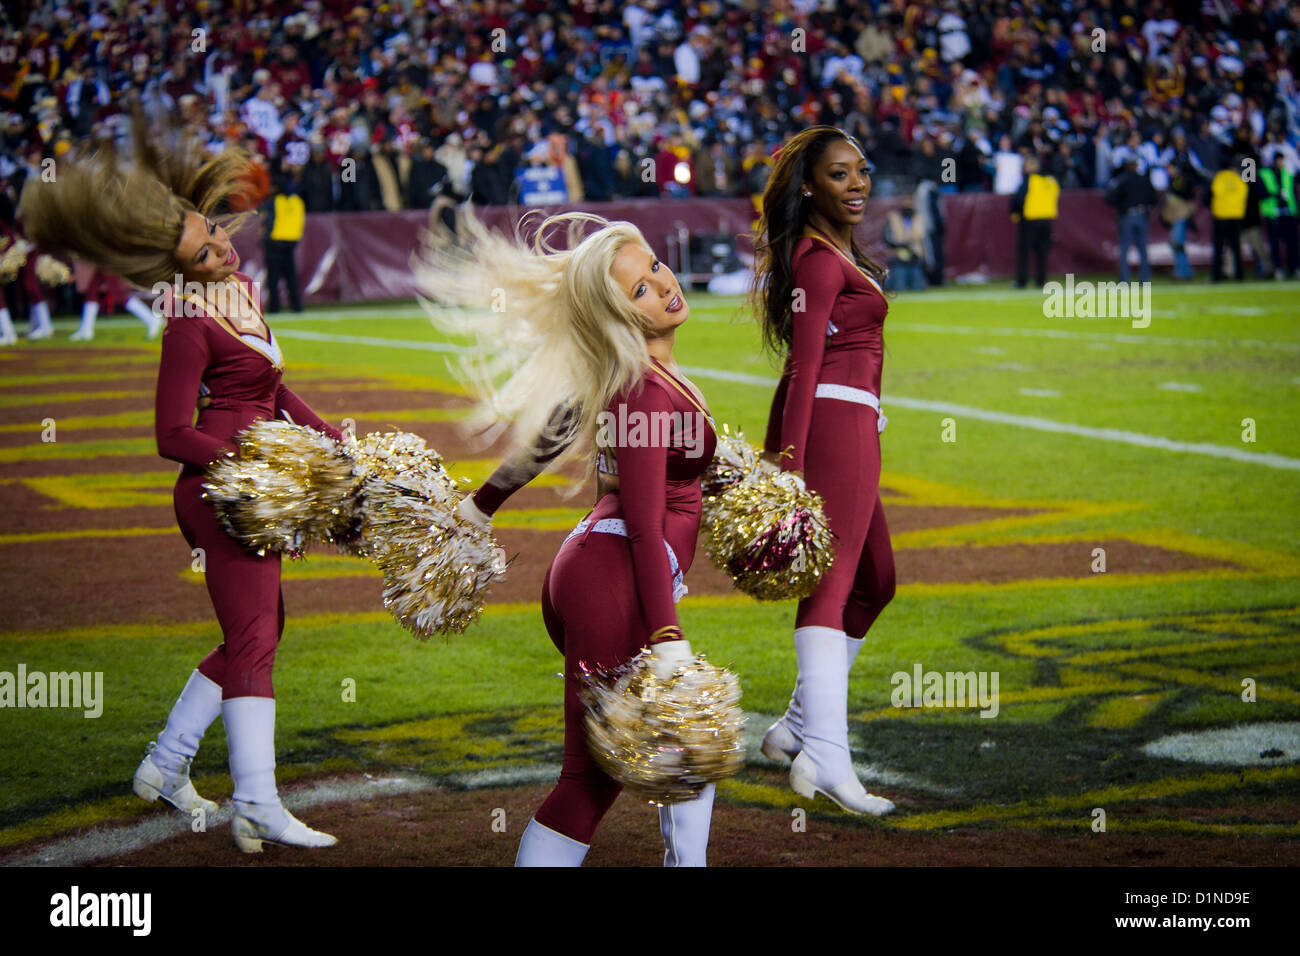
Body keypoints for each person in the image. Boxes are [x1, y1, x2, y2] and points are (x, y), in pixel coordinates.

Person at [19, 112, 343, 853]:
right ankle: (257, 800)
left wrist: (335, 443)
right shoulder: (187, 325)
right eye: (205, 250)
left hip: (259, 487)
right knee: (256, 638)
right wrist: (247, 470)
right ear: (181, 270)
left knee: (257, 632)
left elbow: (277, 394)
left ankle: (167, 763)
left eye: (217, 232)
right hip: (220, 494)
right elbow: (171, 435)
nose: (223, 248)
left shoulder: (248, 293)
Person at [420, 210, 720, 865]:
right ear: (619, 314)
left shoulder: (633, 373)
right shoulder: (641, 389)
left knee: (684, 743)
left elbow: (556, 431)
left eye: (656, 268)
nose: (663, 285)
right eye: (639, 289)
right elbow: (643, 522)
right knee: (592, 779)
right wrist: (669, 638)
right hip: (614, 581)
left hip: (597, 570)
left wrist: (481, 507)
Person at [749, 126, 896, 816]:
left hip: (855, 419)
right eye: (840, 175)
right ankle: (830, 758)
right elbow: (804, 366)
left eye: (862, 171)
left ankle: (799, 728)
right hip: (835, 424)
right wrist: (788, 468)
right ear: (809, 186)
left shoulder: (835, 251)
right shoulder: (814, 259)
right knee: (833, 588)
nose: (858, 184)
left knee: (877, 582)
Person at [1104, 156, 1157, 283]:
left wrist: (1122, 204)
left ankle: (1125, 279)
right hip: (1141, 215)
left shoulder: (1121, 180)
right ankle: (1144, 279)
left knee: (1125, 248)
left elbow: (1109, 198)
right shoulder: (1143, 180)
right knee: (1142, 248)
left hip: (1127, 215)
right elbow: (1153, 198)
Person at [1011, 154, 1059, 289]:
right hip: (1047, 219)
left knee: (1024, 252)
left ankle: (1022, 281)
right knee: (1043, 252)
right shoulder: (1051, 181)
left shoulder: (1029, 180)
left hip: (1030, 219)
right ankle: (1041, 280)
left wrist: (1015, 213)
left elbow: (1019, 199)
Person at [1260, 152, 1299, 279]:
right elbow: (1260, 193)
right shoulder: (1264, 174)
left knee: (1293, 243)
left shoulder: (1288, 174)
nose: (1281, 163)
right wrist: (1276, 195)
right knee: (1275, 245)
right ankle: (1278, 268)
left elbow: (1293, 194)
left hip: (1288, 212)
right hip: (1273, 213)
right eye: (1279, 160)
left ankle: (1294, 268)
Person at [1209, 156, 1248, 282]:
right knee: (1236, 248)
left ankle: (1217, 275)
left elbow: (1213, 192)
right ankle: (1239, 275)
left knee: (1219, 248)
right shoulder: (1239, 179)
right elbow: (1244, 194)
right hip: (1235, 217)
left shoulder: (1219, 177)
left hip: (1221, 216)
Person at [883, 194, 926, 291]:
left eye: (910, 204)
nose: (908, 206)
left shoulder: (919, 218)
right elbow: (886, 237)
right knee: (899, 288)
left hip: (915, 258)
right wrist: (901, 245)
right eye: (906, 203)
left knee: (918, 289)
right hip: (898, 258)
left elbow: (924, 240)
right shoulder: (893, 218)